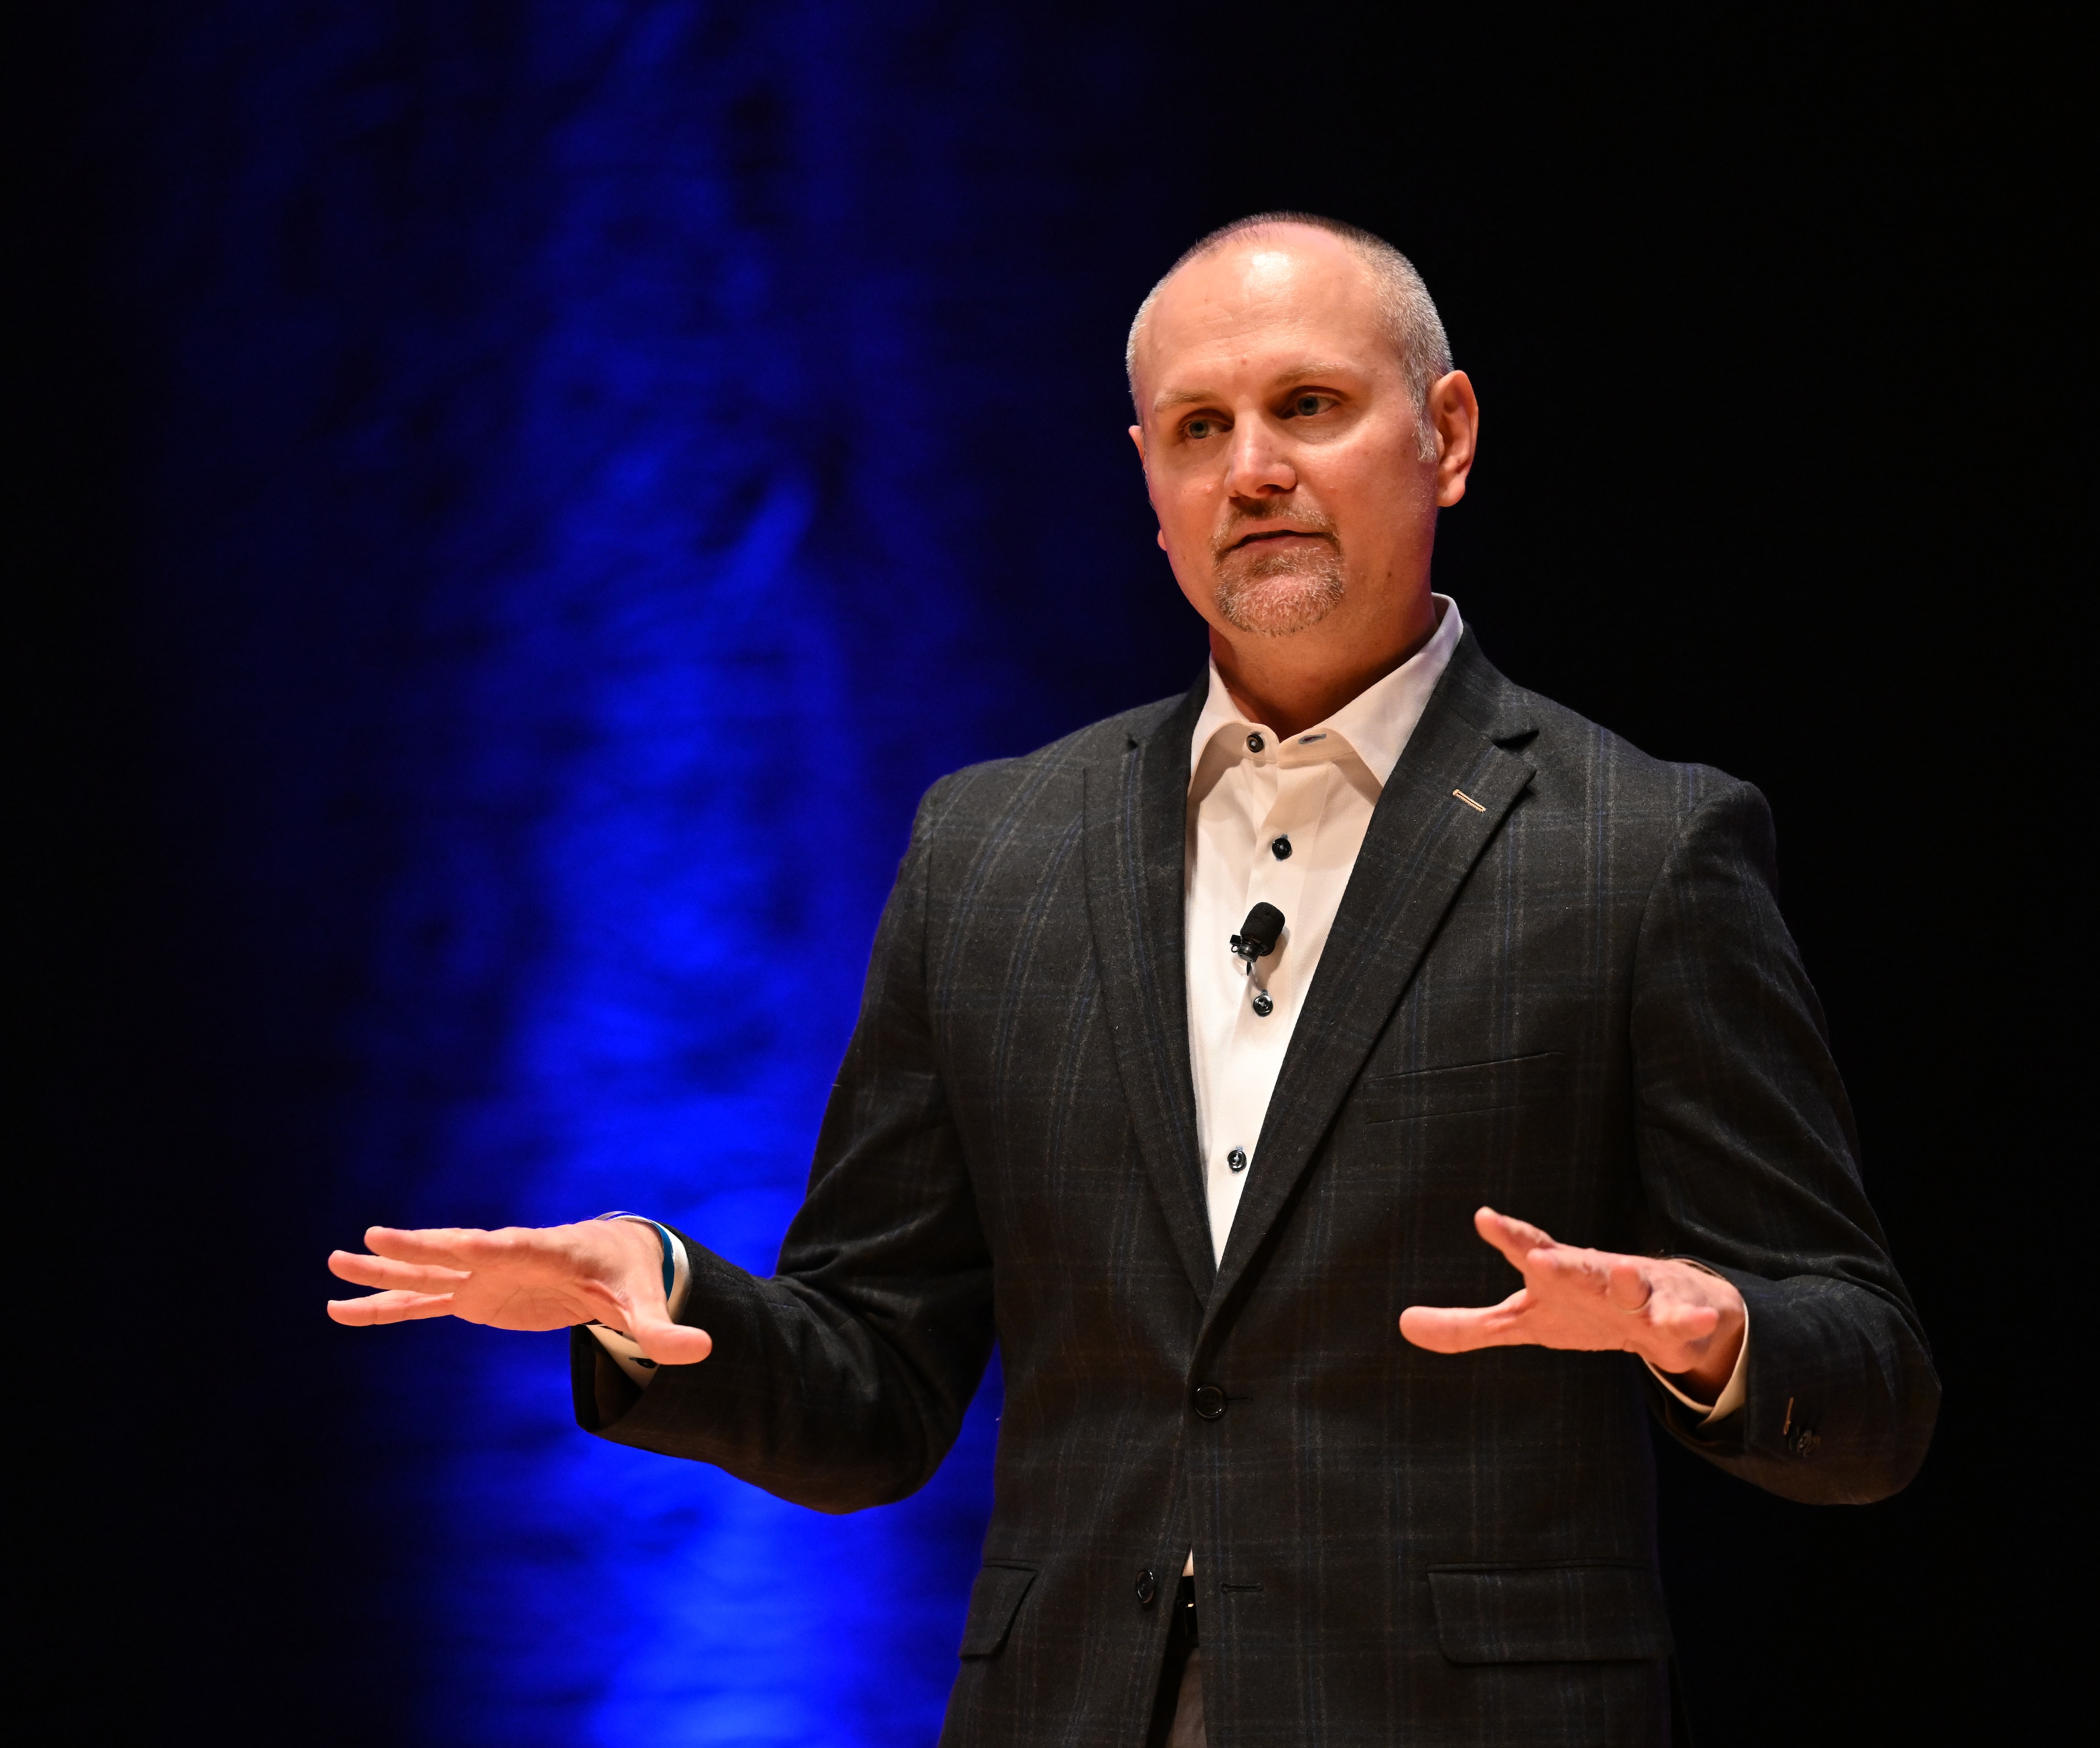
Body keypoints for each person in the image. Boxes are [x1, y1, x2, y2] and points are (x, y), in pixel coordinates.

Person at [327, 212, 1939, 1746]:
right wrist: (664, 1294)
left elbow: (1873, 1391)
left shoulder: (1640, 850)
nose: (1254, 471)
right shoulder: (992, 850)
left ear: (1446, 435)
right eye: (1197, 429)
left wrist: (1712, 1325)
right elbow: (879, 1379)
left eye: (1308, 406)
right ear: (1149, 488)